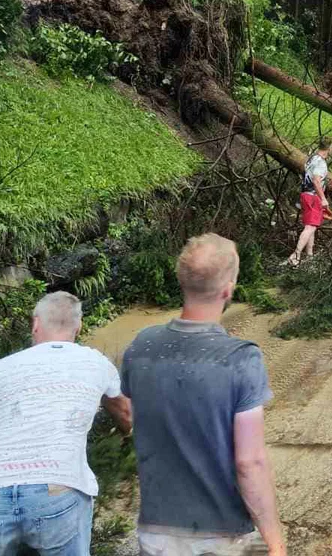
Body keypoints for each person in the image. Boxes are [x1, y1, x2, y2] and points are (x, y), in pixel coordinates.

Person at [121, 234, 286, 556]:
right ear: (228, 289)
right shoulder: (241, 359)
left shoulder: (140, 346)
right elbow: (249, 463)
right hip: (223, 536)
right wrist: (275, 542)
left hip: (156, 533)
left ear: (181, 281)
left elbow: (136, 418)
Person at [0, 291, 132, 556]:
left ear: (35, 323)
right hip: (58, 490)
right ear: (79, 325)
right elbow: (127, 415)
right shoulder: (95, 362)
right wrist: (127, 435)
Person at [287, 141, 332, 267]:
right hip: (313, 197)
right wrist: (323, 198)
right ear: (328, 148)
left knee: (311, 227)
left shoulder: (311, 159)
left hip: (305, 195)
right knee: (310, 228)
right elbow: (316, 180)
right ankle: (295, 255)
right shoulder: (321, 162)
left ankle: (310, 256)